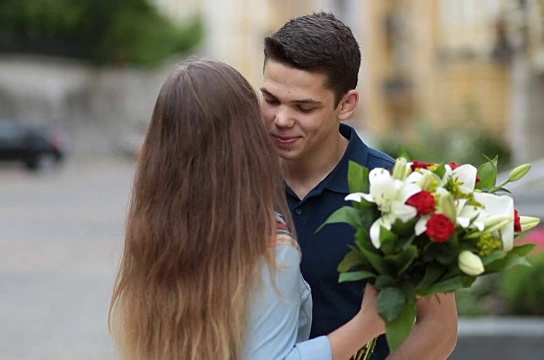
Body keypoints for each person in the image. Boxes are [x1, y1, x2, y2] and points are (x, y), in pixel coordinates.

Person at [109, 57, 385, 360]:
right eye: (267, 101)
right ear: (244, 138)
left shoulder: (154, 229)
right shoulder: (266, 243)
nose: (279, 120)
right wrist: (367, 325)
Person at [260, 12, 459, 360]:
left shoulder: (401, 191)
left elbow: (439, 328)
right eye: (271, 100)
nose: (281, 119)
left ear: (347, 104)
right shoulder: (240, 182)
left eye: (304, 107)